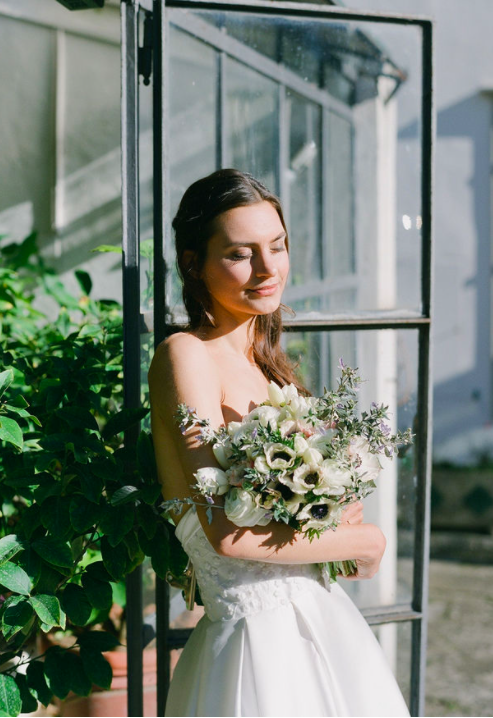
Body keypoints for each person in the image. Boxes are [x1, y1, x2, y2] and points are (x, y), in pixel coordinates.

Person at [149, 168, 410, 717]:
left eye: (278, 245)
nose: (268, 269)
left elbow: (288, 520)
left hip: (321, 627)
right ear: (194, 262)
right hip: (253, 647)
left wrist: (328, 505)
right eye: (241, 254)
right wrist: (360, 541)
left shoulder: (271, 369)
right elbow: (225, 533)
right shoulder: (186, 355)